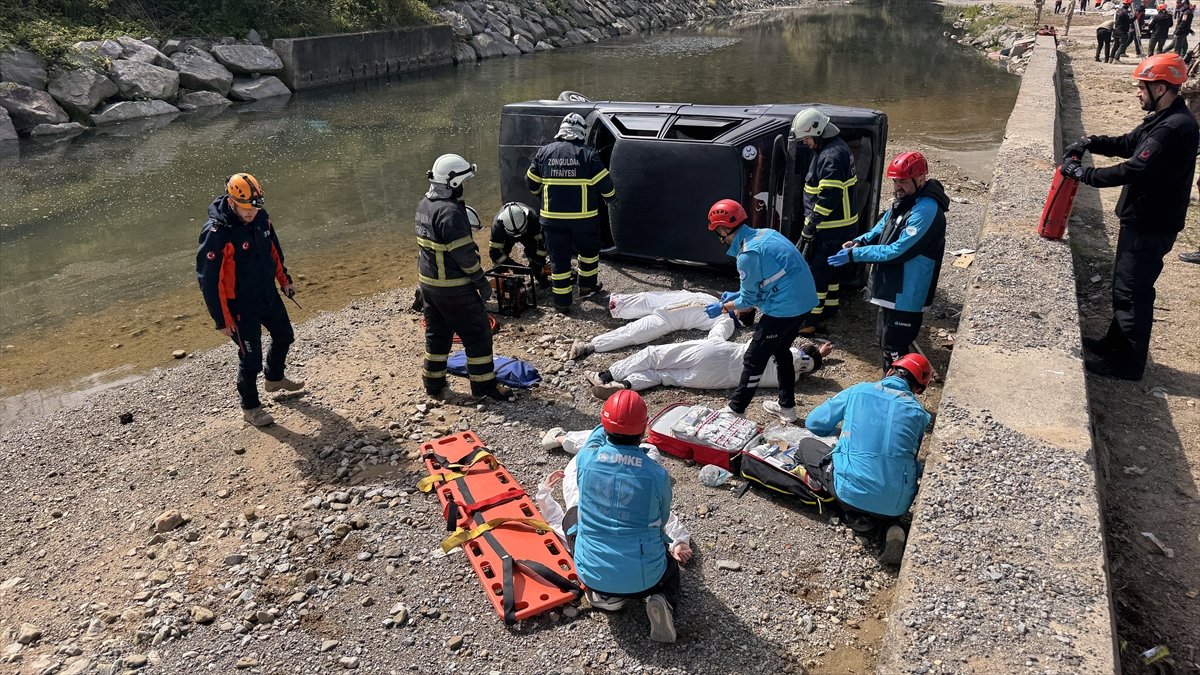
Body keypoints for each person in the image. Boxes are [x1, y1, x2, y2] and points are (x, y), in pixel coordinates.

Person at [1061, 53, 1199, 380]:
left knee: (1133, 291)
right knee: (1124, 285)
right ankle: (1113, 344)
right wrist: (1092, 142)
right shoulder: (1164, 117)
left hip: (1152, 222)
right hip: (1142, 218)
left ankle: (1127, 365)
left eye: (1142, 87)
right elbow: (1129, 143)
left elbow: (1135, 168)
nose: (1137, 92)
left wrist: (1084, 174)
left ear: (1161, 87)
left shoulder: (1175, 127)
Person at [563, 390, 681, 643]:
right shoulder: (656, 474)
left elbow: (596, 438)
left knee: (572, 517)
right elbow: (662, 519)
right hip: (645, 578)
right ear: (643, 430)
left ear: (604, 425)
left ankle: (603, 595)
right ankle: (663, 599)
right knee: (670, 566)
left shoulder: (587, 459)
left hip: (592, 574)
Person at [801, 353, 934, 565]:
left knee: (806, 446)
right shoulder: (919, 414)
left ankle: (856, 518)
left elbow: (814, 423)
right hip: (898, 503)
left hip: (851, 493)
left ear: (890, 371)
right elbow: (909, 456)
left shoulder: (859, 390)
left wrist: (843, 432)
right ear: (918, 389)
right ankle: (886, 525)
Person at [196, 173, 303, 427]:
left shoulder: (261, 218)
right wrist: (221, 320)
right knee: (250, 359)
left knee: (285, 336)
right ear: (232, 202)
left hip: (267, 294)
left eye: (254, 210)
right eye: (245, 210)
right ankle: (250, 407)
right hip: (240, 307)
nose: (250, 214)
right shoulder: (217, 233)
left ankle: (274, 377)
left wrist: (284, 280)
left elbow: (273, 250)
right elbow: (209, 280)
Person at [827, 151, 948, 371]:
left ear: (920, 179)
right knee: (884, 340)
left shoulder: (926, 210)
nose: (897, 187)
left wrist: (856, 256)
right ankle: (890, 390)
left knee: (895, 346)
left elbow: (898, 251)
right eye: (894, 181)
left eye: (902, 181)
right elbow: (882, 227)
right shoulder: (905, 201)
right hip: (892, 289)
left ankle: (898, 395)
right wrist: (858, 242)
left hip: (908, 293)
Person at [704, 198, 818, 422]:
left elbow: (748, 302)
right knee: (781, 350)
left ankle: (736, 409)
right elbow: (764, 278)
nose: (720, 238)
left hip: (786, 308)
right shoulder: (766, 234)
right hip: (805, 302)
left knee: (754, 358)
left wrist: (723, 307)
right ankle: (787, 408)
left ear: (724, 228)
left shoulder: (747, 255)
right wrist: (736, 293)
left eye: (718, 233)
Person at [416, 153, 513, 401]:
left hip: (429, 286)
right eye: (464, 182)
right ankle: (484, 388)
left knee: (437, 334)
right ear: (453, 183)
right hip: (454, 288)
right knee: (478, 334)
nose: (465, 187)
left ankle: (433, 383)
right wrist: (481, 282)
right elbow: (465, 256)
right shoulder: (450, 213)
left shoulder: (424, 206)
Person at [526, 113, 617, 314]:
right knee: (589, 254)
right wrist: (611, 199)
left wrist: (540, 193)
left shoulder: (544, 152)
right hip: (584, 220)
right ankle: (586, 286)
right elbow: (606, 185)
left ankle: (562, 302)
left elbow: (531, 183)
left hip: (552, 221)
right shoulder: (588, 154)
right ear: (581, 132)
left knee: (559, 260)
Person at [586, 339, 832, 405]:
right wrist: (820, 357)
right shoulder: (793, 378)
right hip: (720, 380)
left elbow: (802, 353)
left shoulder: (790, 352)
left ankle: (607, 375)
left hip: (718, 354)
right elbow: (809, 361)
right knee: (663, 375)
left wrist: (819, 352)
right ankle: (625, 386)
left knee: (655, 355)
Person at [789, 108, 859, 334]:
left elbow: (829, 197)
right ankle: (829, 309)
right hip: (840, 226)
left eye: (807, 138)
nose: (806, 143)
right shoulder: (836, 148)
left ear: (818, 132)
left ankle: (810, 321)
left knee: (816, 273)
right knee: (832, 271)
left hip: (830, 228)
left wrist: (810, 224)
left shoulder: (831, 156)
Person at [568, 290, 736, 361]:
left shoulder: (725, 320)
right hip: (664, 302)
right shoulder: (714, 300)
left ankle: (590, 346)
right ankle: (595, 301)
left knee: (633, 333)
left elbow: (716, 339)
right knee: (632, 301)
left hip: (668, 321)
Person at [487, 202, 548, 285]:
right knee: (500, 260)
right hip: (507, 237)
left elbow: (544, 242)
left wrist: (538, 261)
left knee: (533, 250)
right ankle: (503, 284)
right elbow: (494, 253)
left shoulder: (533, 219)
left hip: (528, 233)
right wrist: (513, 265)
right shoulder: (497, 228)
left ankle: (541, 277)